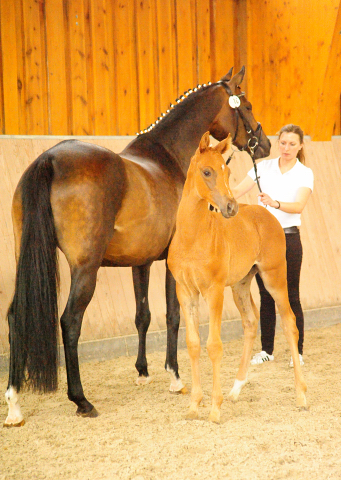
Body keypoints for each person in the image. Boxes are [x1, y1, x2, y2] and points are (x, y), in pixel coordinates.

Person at [232, 124, 314, 366]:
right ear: (277, 143)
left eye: (291, 144)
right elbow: (236, 191)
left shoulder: (304, 173)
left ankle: (296, 352)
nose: (286, 148)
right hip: (263, 241)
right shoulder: (262, 167)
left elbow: (298, 206)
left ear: (300, 146)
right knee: (266, 296)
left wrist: (274, 203)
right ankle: (267, 350)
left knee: (291, 296)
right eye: (283, 143)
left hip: (288, 238)